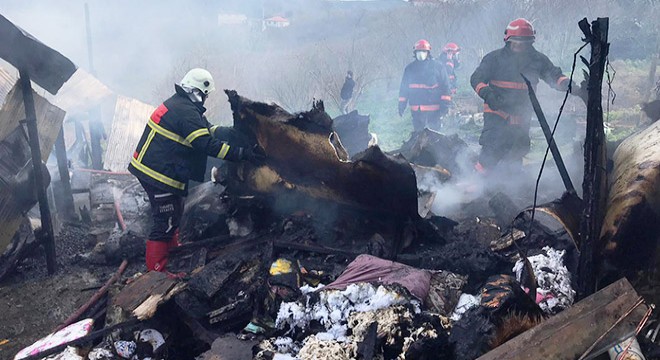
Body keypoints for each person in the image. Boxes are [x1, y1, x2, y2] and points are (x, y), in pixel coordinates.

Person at [128, 68, 263, 277]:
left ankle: (172, 250)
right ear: (196, 91)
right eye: (205, 95)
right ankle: (157, 272)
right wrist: (241, 153)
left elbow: (207, 130)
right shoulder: (185, 111)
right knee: (166, 220)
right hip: (158, 173)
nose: (205, 99)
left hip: (161, 170)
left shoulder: (182, 106)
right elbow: (205, 144)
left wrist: (230, 133)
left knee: (175, 211)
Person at [471, 18, 584, 175]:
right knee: (491, 151)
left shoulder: (537, 60)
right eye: (516, 41)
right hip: (496, 114)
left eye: (524, 42)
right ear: (508, 39)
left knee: (517, 152)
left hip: (522, 117)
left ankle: (509, 188)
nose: (519, 45)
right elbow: (476, 79)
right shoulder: (493, 59)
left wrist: (570, 86)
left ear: (530, 42)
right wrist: (488, 95)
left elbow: (554, 76)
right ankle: (476, 185)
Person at [398, 39, 452, 132]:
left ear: (428, 52)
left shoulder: (438, 67)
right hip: (417, 111)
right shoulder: (410, 69)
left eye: (423, 51)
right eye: (418, 51)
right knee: (419, 138)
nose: (421, 54)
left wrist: (444, 107)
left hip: (435, 111)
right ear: (415, 53)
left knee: (435, 137)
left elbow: (445, 88)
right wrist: (401, 105)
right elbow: (404, 89)